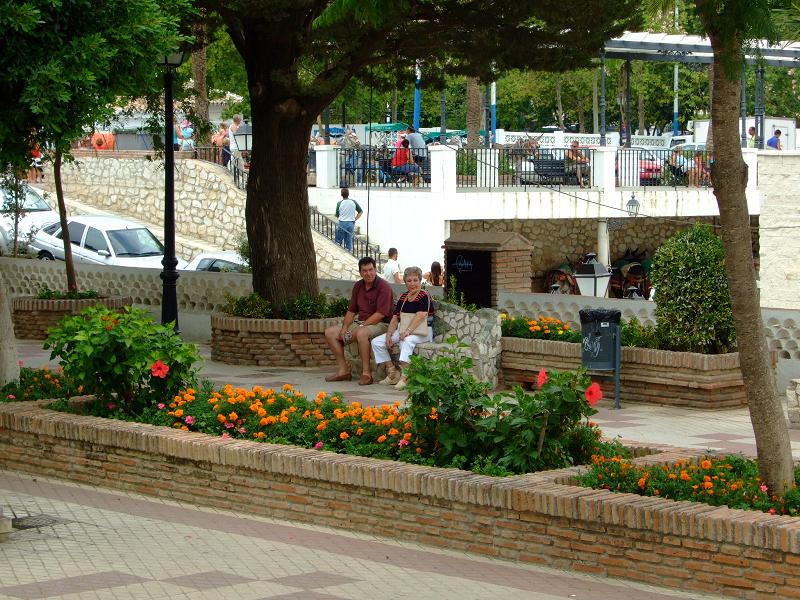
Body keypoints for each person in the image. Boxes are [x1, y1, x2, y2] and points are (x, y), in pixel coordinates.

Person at [324, 257, 393, 386]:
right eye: (365, 271)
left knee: (361, 333)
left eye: (371, 270)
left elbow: (380, 314)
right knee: (330, 333)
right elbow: (351, 311)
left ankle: (366, 374)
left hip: (381, 324)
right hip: (361, 322)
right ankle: (344, 370)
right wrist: (344, 328)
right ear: (360, 272)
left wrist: (361, 326)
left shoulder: (384, 286)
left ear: (375, 269)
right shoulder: (358, 286)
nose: (368, 273)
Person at [371, 266, 434, 390]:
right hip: (403, 329)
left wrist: (407, 332)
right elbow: (395, 317)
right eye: (409, 280)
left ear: (420, 280)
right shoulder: (403, 297)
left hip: (422, 331)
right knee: (377, 342)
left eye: (415, 280)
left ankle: (406, 376)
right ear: (405, 282)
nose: (412, 283)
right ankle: (392, 373)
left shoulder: (424, 295)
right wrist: (389, 334)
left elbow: (421, 315)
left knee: (406, 340)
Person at [334, 187, 363, 251]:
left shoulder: (339, 203)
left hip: (342, 223)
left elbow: (337, 215)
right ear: (348, 194)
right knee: (349, 239)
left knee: (338, 240)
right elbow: (360, 212)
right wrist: (355, 219)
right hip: (351, 223)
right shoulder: (354, 202)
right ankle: (348, 251)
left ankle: (338, 252)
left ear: (341, 195)